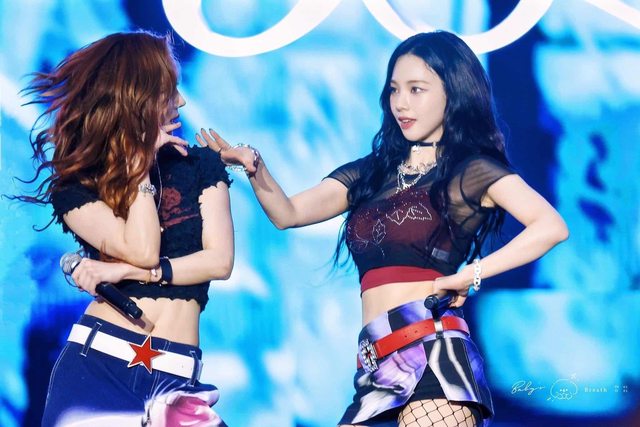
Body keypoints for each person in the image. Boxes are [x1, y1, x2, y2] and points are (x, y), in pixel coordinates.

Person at [197, 31, 569, 427]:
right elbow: (287, 213)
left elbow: (550, 226)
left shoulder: (470, 171)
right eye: (394, 90)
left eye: (416, 89)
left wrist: (471, 274)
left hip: (434, 356)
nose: (401, 103)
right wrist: (254, 166)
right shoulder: (370, 173)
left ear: (453, 93)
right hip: (375, 368)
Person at [19, 32, 233, 426]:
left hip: (177, 377)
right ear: (140, 96)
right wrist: (139, 167)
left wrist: (128, 272)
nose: (182, 102)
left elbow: (219, 262)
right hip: (99, 367)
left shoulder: (200, 166)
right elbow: (143, 249)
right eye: (170, 90)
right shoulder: (78, 189)